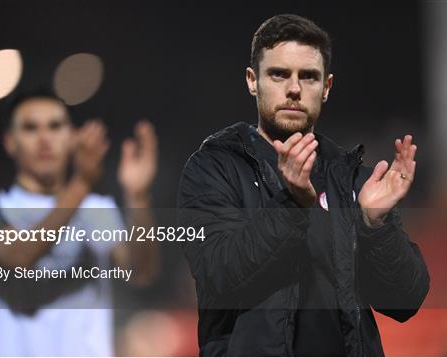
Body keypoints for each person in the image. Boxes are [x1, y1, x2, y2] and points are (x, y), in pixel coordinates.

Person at [178, 14, 430, 356]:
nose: (294, 89)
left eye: (308, 77)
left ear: (326, 88)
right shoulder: (214, 168)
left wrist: (375, 225)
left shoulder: (350, 176)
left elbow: (404, 302)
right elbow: (217, 275)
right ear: (253, 81)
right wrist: (291, 203)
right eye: (279, 74)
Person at [0, 89, 159, 356]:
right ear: (10, 141)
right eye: (30, 128)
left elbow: (141, 272)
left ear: (72, 137)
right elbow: (18, 255)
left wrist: (138, 197)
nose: (44, 140)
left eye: (55, 127)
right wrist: (81, 184)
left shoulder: (97, 210)